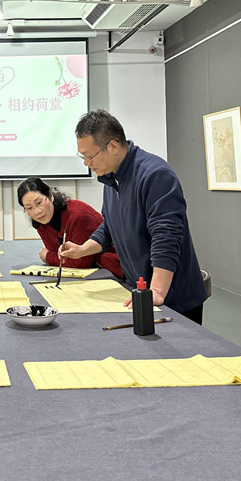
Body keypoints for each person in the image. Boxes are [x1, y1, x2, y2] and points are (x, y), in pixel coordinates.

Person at [61, 109, 207, 323]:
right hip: (140, 291)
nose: (86, 163)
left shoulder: (155, 175)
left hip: (172, 297)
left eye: (89, 156)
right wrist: (83, 249)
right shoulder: (112, 179)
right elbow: (109, 227)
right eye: (82, 156)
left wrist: (156, 290)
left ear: (112, 146)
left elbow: (166, 237)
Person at [17, 177, 123, 279]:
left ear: (50, 195)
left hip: (116, 269)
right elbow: (60, 258)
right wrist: (53, 256)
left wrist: (48, 257)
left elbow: (80, 263)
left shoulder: (79, 216)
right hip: (92, 271)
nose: (37, 211)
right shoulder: (41, 221)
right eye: (29, 208)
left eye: (39, 202)